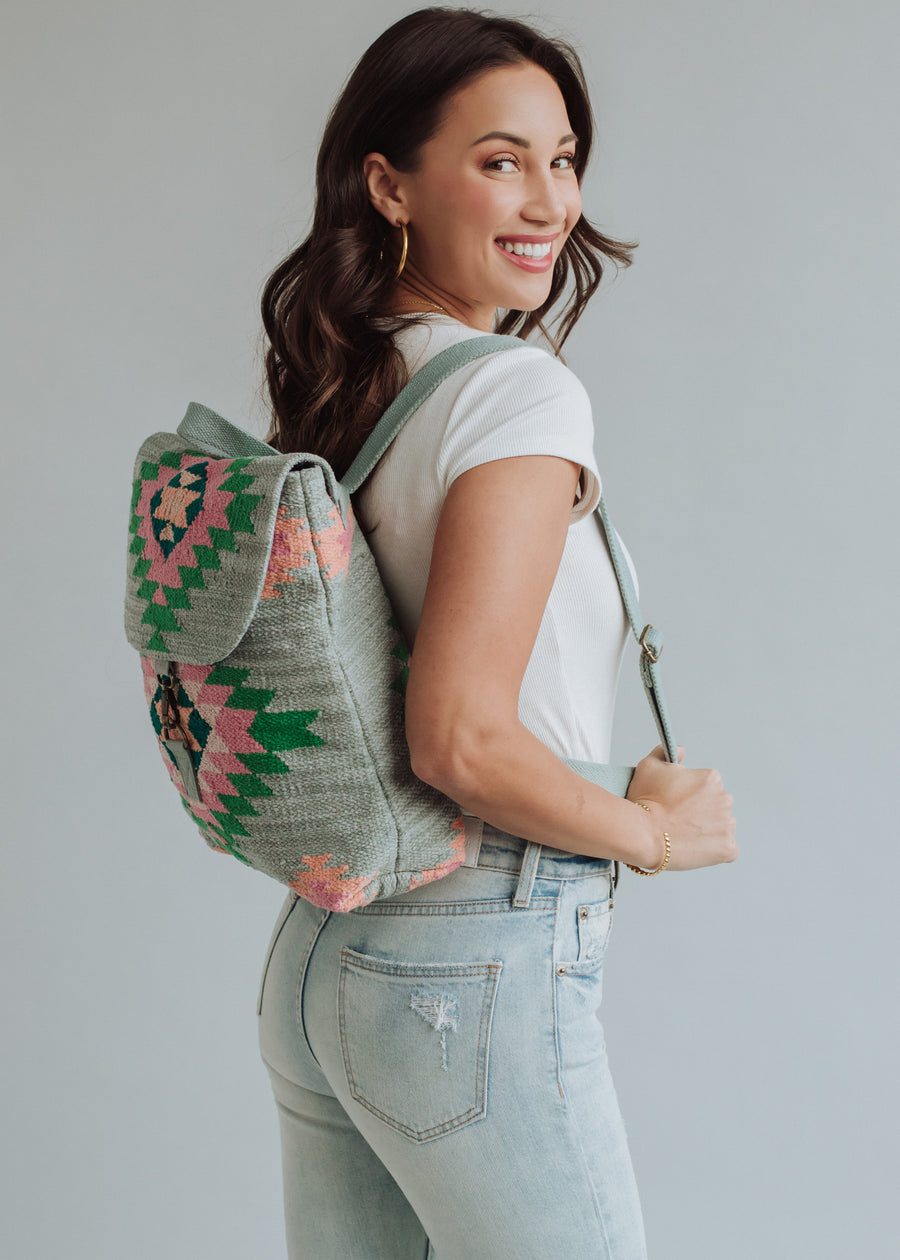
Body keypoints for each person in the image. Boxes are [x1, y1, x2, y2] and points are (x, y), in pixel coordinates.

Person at [255, 8, 738, 1258]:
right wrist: (652, 835)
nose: (547, 198)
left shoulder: (358, 380)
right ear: (389, 183)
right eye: (500, 158)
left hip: (330, 950)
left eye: (563, 158)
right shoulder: (518, 393)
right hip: (468, 955)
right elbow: (461, 738)